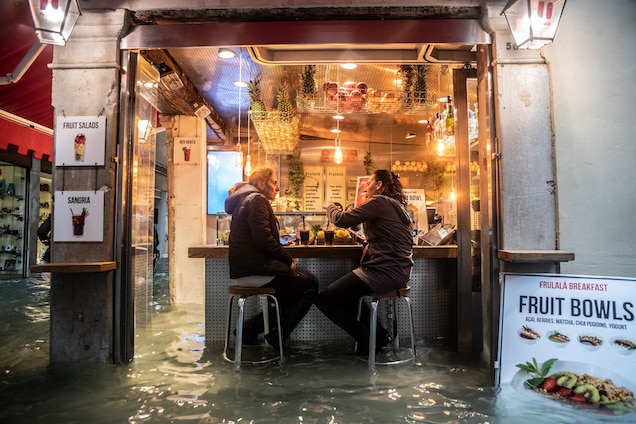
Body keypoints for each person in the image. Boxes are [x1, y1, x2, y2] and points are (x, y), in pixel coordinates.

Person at [315, 169, 414, 356]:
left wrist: (330, 206)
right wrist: (365, 241)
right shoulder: (399, 206)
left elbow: (341, 219)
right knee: (350, 295)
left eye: (370, 182)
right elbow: (388, 238)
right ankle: (380, 336)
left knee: (324, 299)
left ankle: (368, 340)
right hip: (399, 272)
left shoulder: (379, 201)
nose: (366, 187)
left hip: (382, 271)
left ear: (379, 185)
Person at [224, 166, 318, 348]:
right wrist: (287, 259)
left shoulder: (246, 199)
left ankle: (249, 329)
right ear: (260, 183)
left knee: (293, 291)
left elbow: (260, 238)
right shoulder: (257, 200)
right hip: (256, 270)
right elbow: (263, 240)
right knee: (311, 285)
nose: (277, 188)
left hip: (247, 270)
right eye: (274, 183)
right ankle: (277, 337)